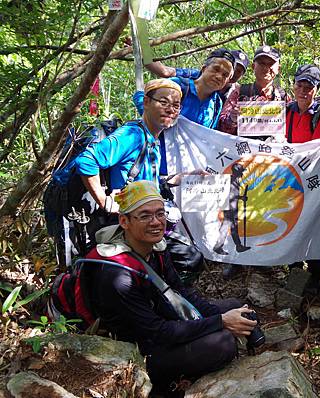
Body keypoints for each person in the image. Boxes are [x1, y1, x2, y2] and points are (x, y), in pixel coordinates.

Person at [84, 180, 257, 390]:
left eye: (160, 213)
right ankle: (164, 387)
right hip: (135, 347)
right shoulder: (116, 275)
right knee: (223, 343)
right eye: (145, 216)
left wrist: (223, 317)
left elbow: (181, 294)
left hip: (159, 318)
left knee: (236, 306)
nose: (156, 222)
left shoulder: (155, 247)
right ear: (124, 221)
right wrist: (220, 322)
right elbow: (158, 333)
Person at [75, 78, 181, 235]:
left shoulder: (152, 138)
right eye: (164, 102)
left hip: (146, 222)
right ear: (146, 102)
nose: (170, 109)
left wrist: (184, 177)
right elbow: (86, 160)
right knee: (189, 256)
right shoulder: (132, 135)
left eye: (176, 105)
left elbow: (144, 178)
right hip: (128, 225)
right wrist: (104, 201)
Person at [134, 48, 235, 175]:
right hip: (155, 165)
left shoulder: (216, 104)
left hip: (188, 174)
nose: (219, 76)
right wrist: (161, 119)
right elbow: (142, 97)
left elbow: (208, 138)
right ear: (204, 69)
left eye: (225, 75)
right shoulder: (177, 87)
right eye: (215, 69)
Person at [286, 64, 320, 293]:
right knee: (291, 222)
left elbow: (317, 151)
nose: (304, 91)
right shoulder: (287, 111)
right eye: (300, 85)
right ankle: (294, 273)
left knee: (314, 225)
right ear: (293, 85)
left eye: (309, 87)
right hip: (290, 181)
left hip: (314, 182)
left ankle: (314, 276)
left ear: (316, 89)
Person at [218, 45, 291, 136]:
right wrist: (232, 119)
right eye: (262, 63)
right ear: (253, 67)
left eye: (271, 64)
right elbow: (221, 128)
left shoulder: (284, 98)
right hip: (244, 148)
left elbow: (291, 130)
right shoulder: (239, 93)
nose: (266, 68)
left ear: (278, 69)